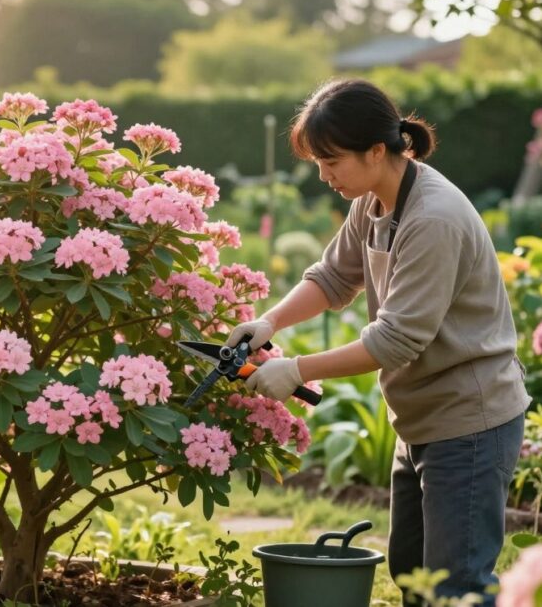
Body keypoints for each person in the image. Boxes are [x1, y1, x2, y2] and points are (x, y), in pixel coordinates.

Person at [226, 79, 529, 606]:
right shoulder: (372, 201)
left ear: (375, 150)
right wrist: (269, 322)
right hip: (419, 419)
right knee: (411, 574)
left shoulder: (434, 218)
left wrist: (294, 370)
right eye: (318, 163)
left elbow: (394, 341)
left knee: (456, 588)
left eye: (331, 161)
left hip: (470, 422)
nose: (324, 176)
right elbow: (332, 278)